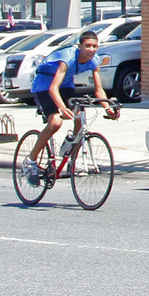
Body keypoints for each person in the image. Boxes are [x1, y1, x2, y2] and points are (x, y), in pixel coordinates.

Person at [24, 29, 117, 182]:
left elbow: (99, 90)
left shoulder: (95, 61)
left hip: (66, 86)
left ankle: (71, 158)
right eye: (87, 46)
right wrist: (62, 108)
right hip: (44, 86)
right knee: (55, 122)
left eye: (95, 46)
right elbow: (53, 88)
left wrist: (108, 108)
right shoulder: (68, 57)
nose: (91, 50)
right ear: (79, 46)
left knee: (80, 118)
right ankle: (31, 161)